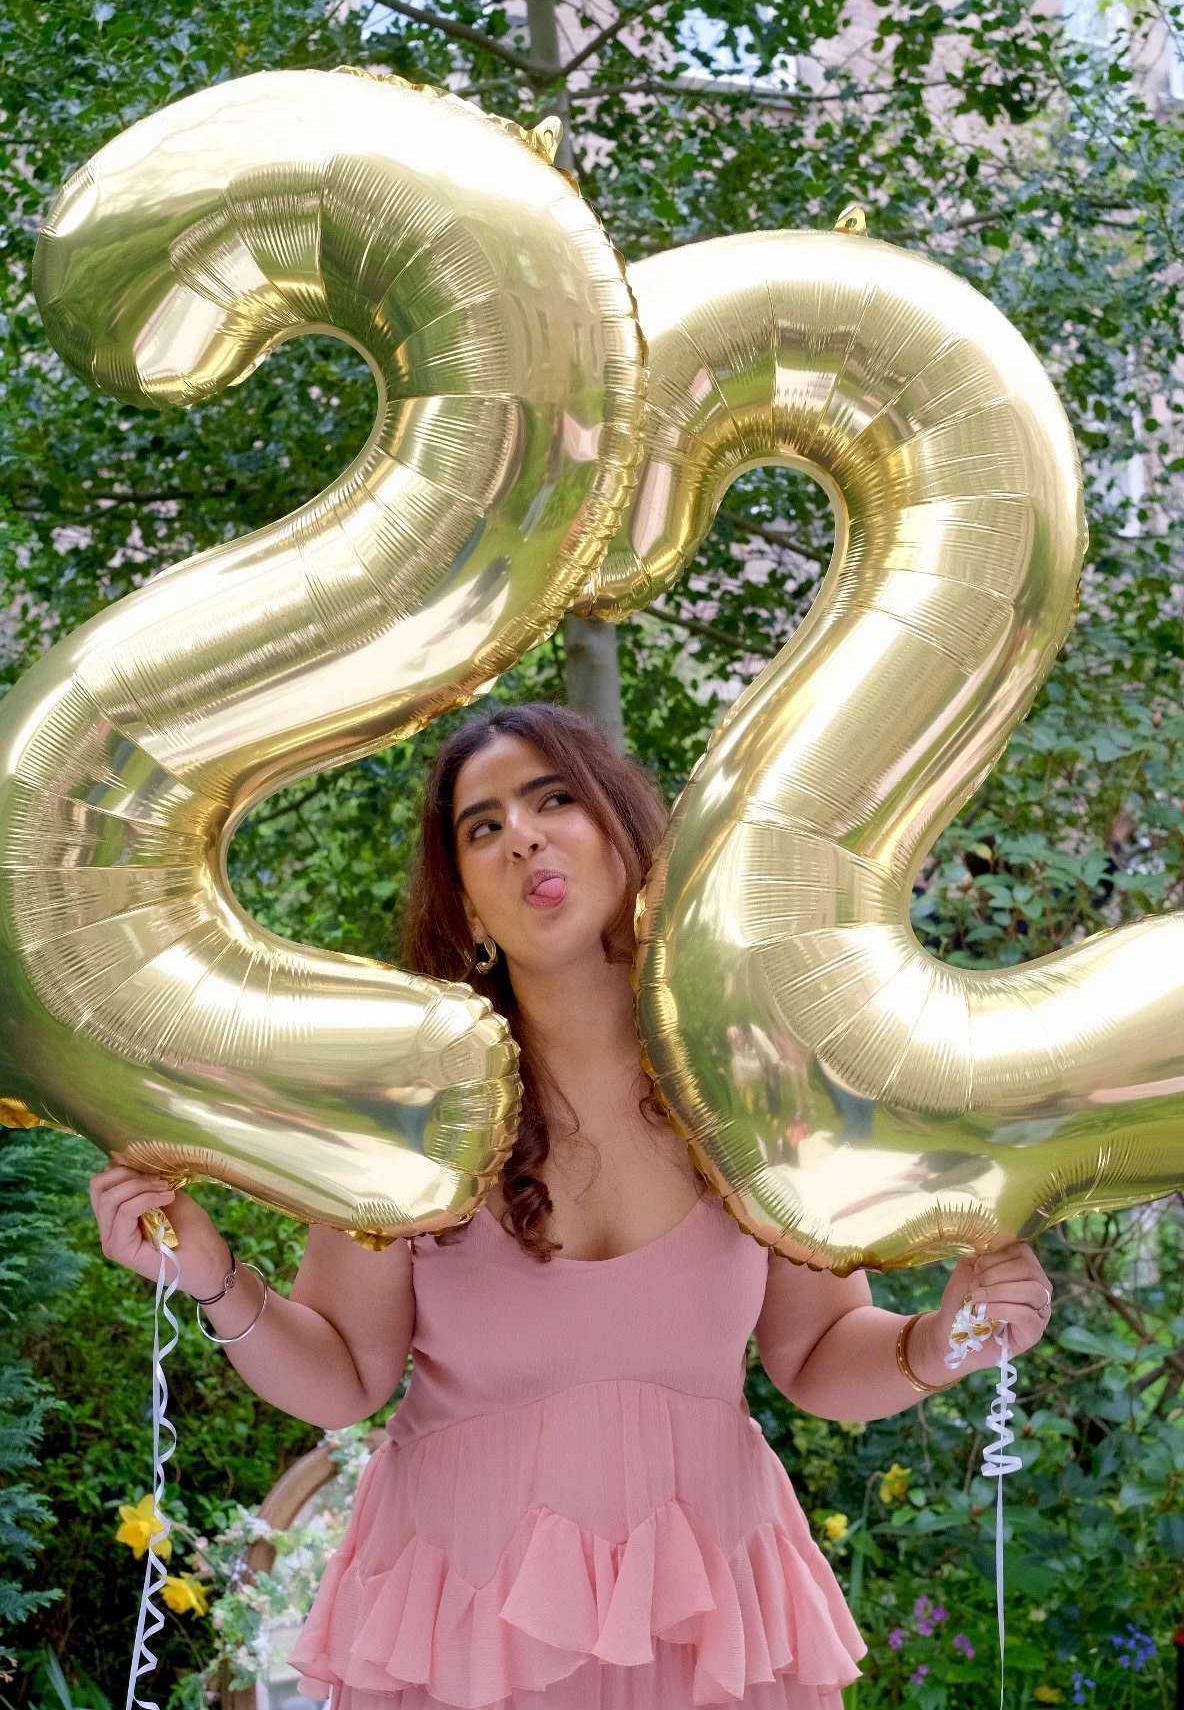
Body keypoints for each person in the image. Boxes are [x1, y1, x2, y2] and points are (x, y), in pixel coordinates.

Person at [90, 701, 1053, 1710]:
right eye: (483, 827)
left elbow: (816, 1356)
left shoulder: (743, 1085)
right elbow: (341, 1377)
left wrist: (950, 1338)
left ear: (623, 835)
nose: (525, 837)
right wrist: (211, 1278)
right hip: (466, 1633)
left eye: (554, 800)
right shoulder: (414, 1101)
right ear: (463, 905)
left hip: (707, 1626)